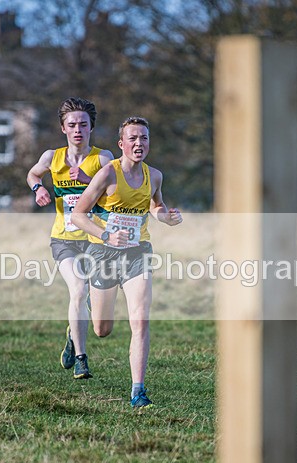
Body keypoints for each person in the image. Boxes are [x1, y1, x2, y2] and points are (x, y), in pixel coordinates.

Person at [71, 116, 182, 409]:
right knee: (101, 330)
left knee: (140, 320)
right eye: (132, 138)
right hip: (104, 254)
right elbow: (78, 215)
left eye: (143, 138)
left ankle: (138, 391)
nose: (138, 143)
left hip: (138, 253)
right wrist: (106, 234)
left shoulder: (154, 176)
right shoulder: (108, 174)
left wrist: (167, 217)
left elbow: (155, 206)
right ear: (121, 144)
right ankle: (78, 324)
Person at [26, 97, 113, 379]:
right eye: (72, 124)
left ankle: (72, 334)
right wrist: (38, 188)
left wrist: (90, 181)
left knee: (91, 302)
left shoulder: (103, 159)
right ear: (63, 128)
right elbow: (32, 173)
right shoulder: (52, 157)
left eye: (83, 125)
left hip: (97, 239)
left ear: (91, 128)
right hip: (64, 239)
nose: (78, 130)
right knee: (78, 291)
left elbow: (116, 193)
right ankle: (81, 359)